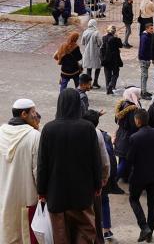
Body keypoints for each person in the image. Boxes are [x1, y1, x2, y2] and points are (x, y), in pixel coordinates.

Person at [37, 89, 102, 243]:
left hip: (56, 194)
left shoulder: (49, 129)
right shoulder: (87, 128)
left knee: (60, 235)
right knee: (85, 232)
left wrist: (41, 190)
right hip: (82, 194)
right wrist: (97, 184)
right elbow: (95, 160)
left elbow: (42, 164)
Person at [0, 98, 41, 244]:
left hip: (4, 195)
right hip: (26, 196)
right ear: (24, 114)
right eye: (33, 112)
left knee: (7, 233)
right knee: (26, 237)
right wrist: (42, 193)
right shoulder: (34, 136)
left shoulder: (0, 132)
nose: (36, 115)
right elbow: (38, 171)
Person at [127, 109, 154, 243]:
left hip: (139, 175)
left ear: (137, 121)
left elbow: (129, 159)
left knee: (133, 199)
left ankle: (144, 226)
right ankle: (150, 231)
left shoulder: (134, 137)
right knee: (152, 203)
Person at [82, 109, 110, 244]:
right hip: (94, 181)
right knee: (96, 214)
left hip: (75, 183)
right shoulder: (97, 133)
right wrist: (104, 178)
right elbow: (105, 160)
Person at [114, 87, 141, 182]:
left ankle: (123, 176)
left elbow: (116, 120)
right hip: (128, 137)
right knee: (125, 160)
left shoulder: (121, 104)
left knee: (122, 158)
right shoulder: (133, 108)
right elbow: (134, 125)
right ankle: (114, 180)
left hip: (120, 135)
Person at [102, 25, 123, 95]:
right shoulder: (115, 39)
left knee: (107, 74)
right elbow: (121, 45)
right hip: (114, 59)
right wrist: (117, 37)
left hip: (106, 59)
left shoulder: (104, 38)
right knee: (116, 73)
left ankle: (108, 87)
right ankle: (111, 85)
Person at [81, 19, 102, 89]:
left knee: (89, 69)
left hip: (87, 52)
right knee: (98, 67)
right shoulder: (96, 33)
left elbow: (82, 43)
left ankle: (88, 84)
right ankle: (95, 82)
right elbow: (100, 43)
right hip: (95, 53)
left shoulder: (85, 32)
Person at [139, 23, 154, 100]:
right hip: (144, 59)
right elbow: (143, 50)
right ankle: (143, 93)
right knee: (144, 76)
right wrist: (145, 59)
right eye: (151, 28)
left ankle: (144, 91)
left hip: (146, 59)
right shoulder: (145, 37)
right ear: (147, 29)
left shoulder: (148, 36)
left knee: (145, 76)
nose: (152, 30)